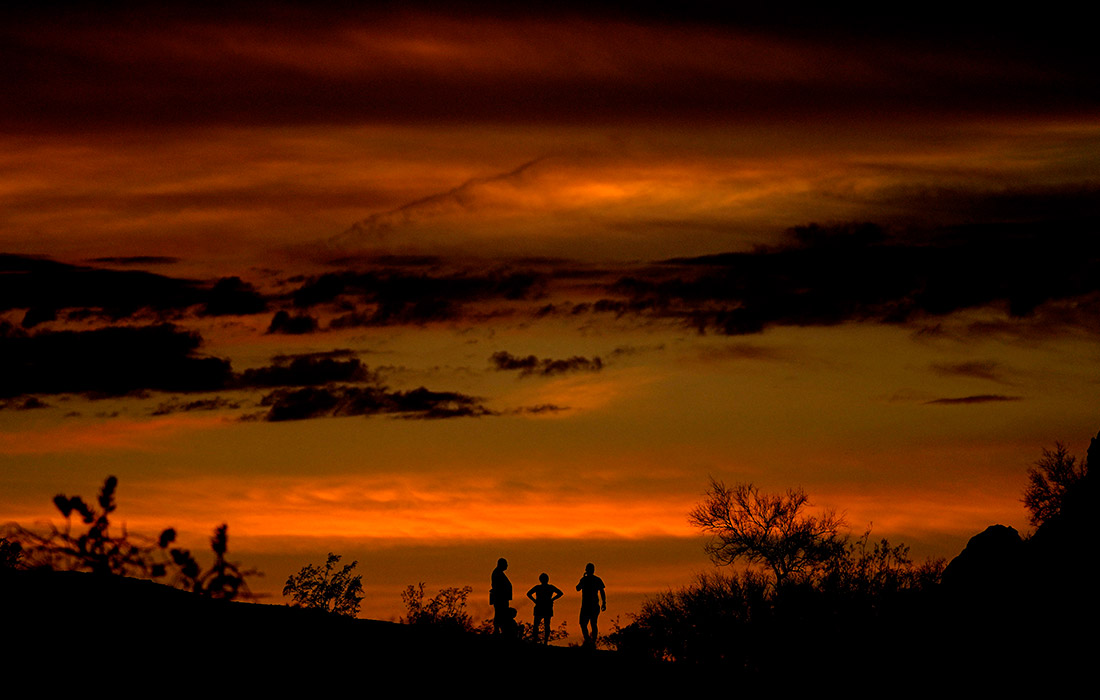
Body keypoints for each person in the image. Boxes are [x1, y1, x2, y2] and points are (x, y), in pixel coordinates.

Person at [526, 573, 564, 644]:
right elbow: (560, 593)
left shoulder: (538, 587)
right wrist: (552, 599)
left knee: (538, 624)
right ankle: (544, 641)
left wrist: (535, 601)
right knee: (546, 624)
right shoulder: (550, 587)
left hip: (541, 607)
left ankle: (537, 640)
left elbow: (528, 594)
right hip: (546, 607)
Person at [575, 562, 606, 646]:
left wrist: (604, 603)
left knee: (587, 623)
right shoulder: (595, 579)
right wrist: (604, 603)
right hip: (591, 605)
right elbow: (602, 592)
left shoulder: (586, 579)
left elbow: (577, 588)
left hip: (588, 605)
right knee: (590, 623)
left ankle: (590, 640)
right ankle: (590, 641)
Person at [490, 557, 512, 635]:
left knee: (501, 614)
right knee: (499, 613)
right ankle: (497, 630)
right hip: (500, 598)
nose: (507, 566)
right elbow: (497, 586)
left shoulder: (498, 573)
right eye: (506, 564)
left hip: (502, 597)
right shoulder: (497, 573)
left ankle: (500, 629)